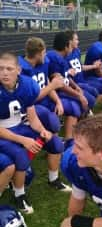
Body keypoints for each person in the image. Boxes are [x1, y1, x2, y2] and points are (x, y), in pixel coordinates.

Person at [0, 52, 64, 214]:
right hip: (3, 131)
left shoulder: (27, 85)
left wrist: (42, 130)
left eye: (9, 69)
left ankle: (54, 179)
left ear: (18, 70)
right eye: (0, 69)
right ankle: (19, 195)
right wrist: (23, 140)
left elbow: (32, 116)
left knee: (55, 142)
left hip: (18, 125)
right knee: (21, 155)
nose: (5, 73)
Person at [18, 37, 71, 192]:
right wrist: (53, 86)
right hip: (25, 113)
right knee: (51, 122)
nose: (46, 56)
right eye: (44, 52)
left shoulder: (43, 63)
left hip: (39, 109)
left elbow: (47, 84)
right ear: (39, 53)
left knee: (56, 143)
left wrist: (58, 101)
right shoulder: (22, 70)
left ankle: (53, 179)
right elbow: (30, 98)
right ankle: (23, 169)